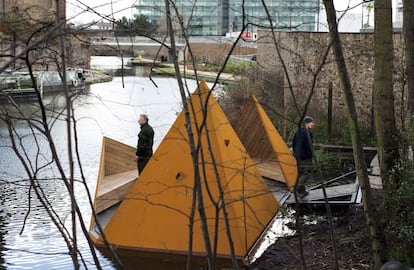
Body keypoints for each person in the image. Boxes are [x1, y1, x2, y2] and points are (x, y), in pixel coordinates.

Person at [292, 116, 315, 197]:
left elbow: (293, 144)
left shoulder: (297, 132)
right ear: (307, 123)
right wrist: (311, 154)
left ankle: (302, 191)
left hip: (298, 157)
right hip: (306, 157)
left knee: (301, 173)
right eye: (312, 122)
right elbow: (310, 146)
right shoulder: (308, 133)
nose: (313, 124)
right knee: (307, 173)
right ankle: (296, 188)